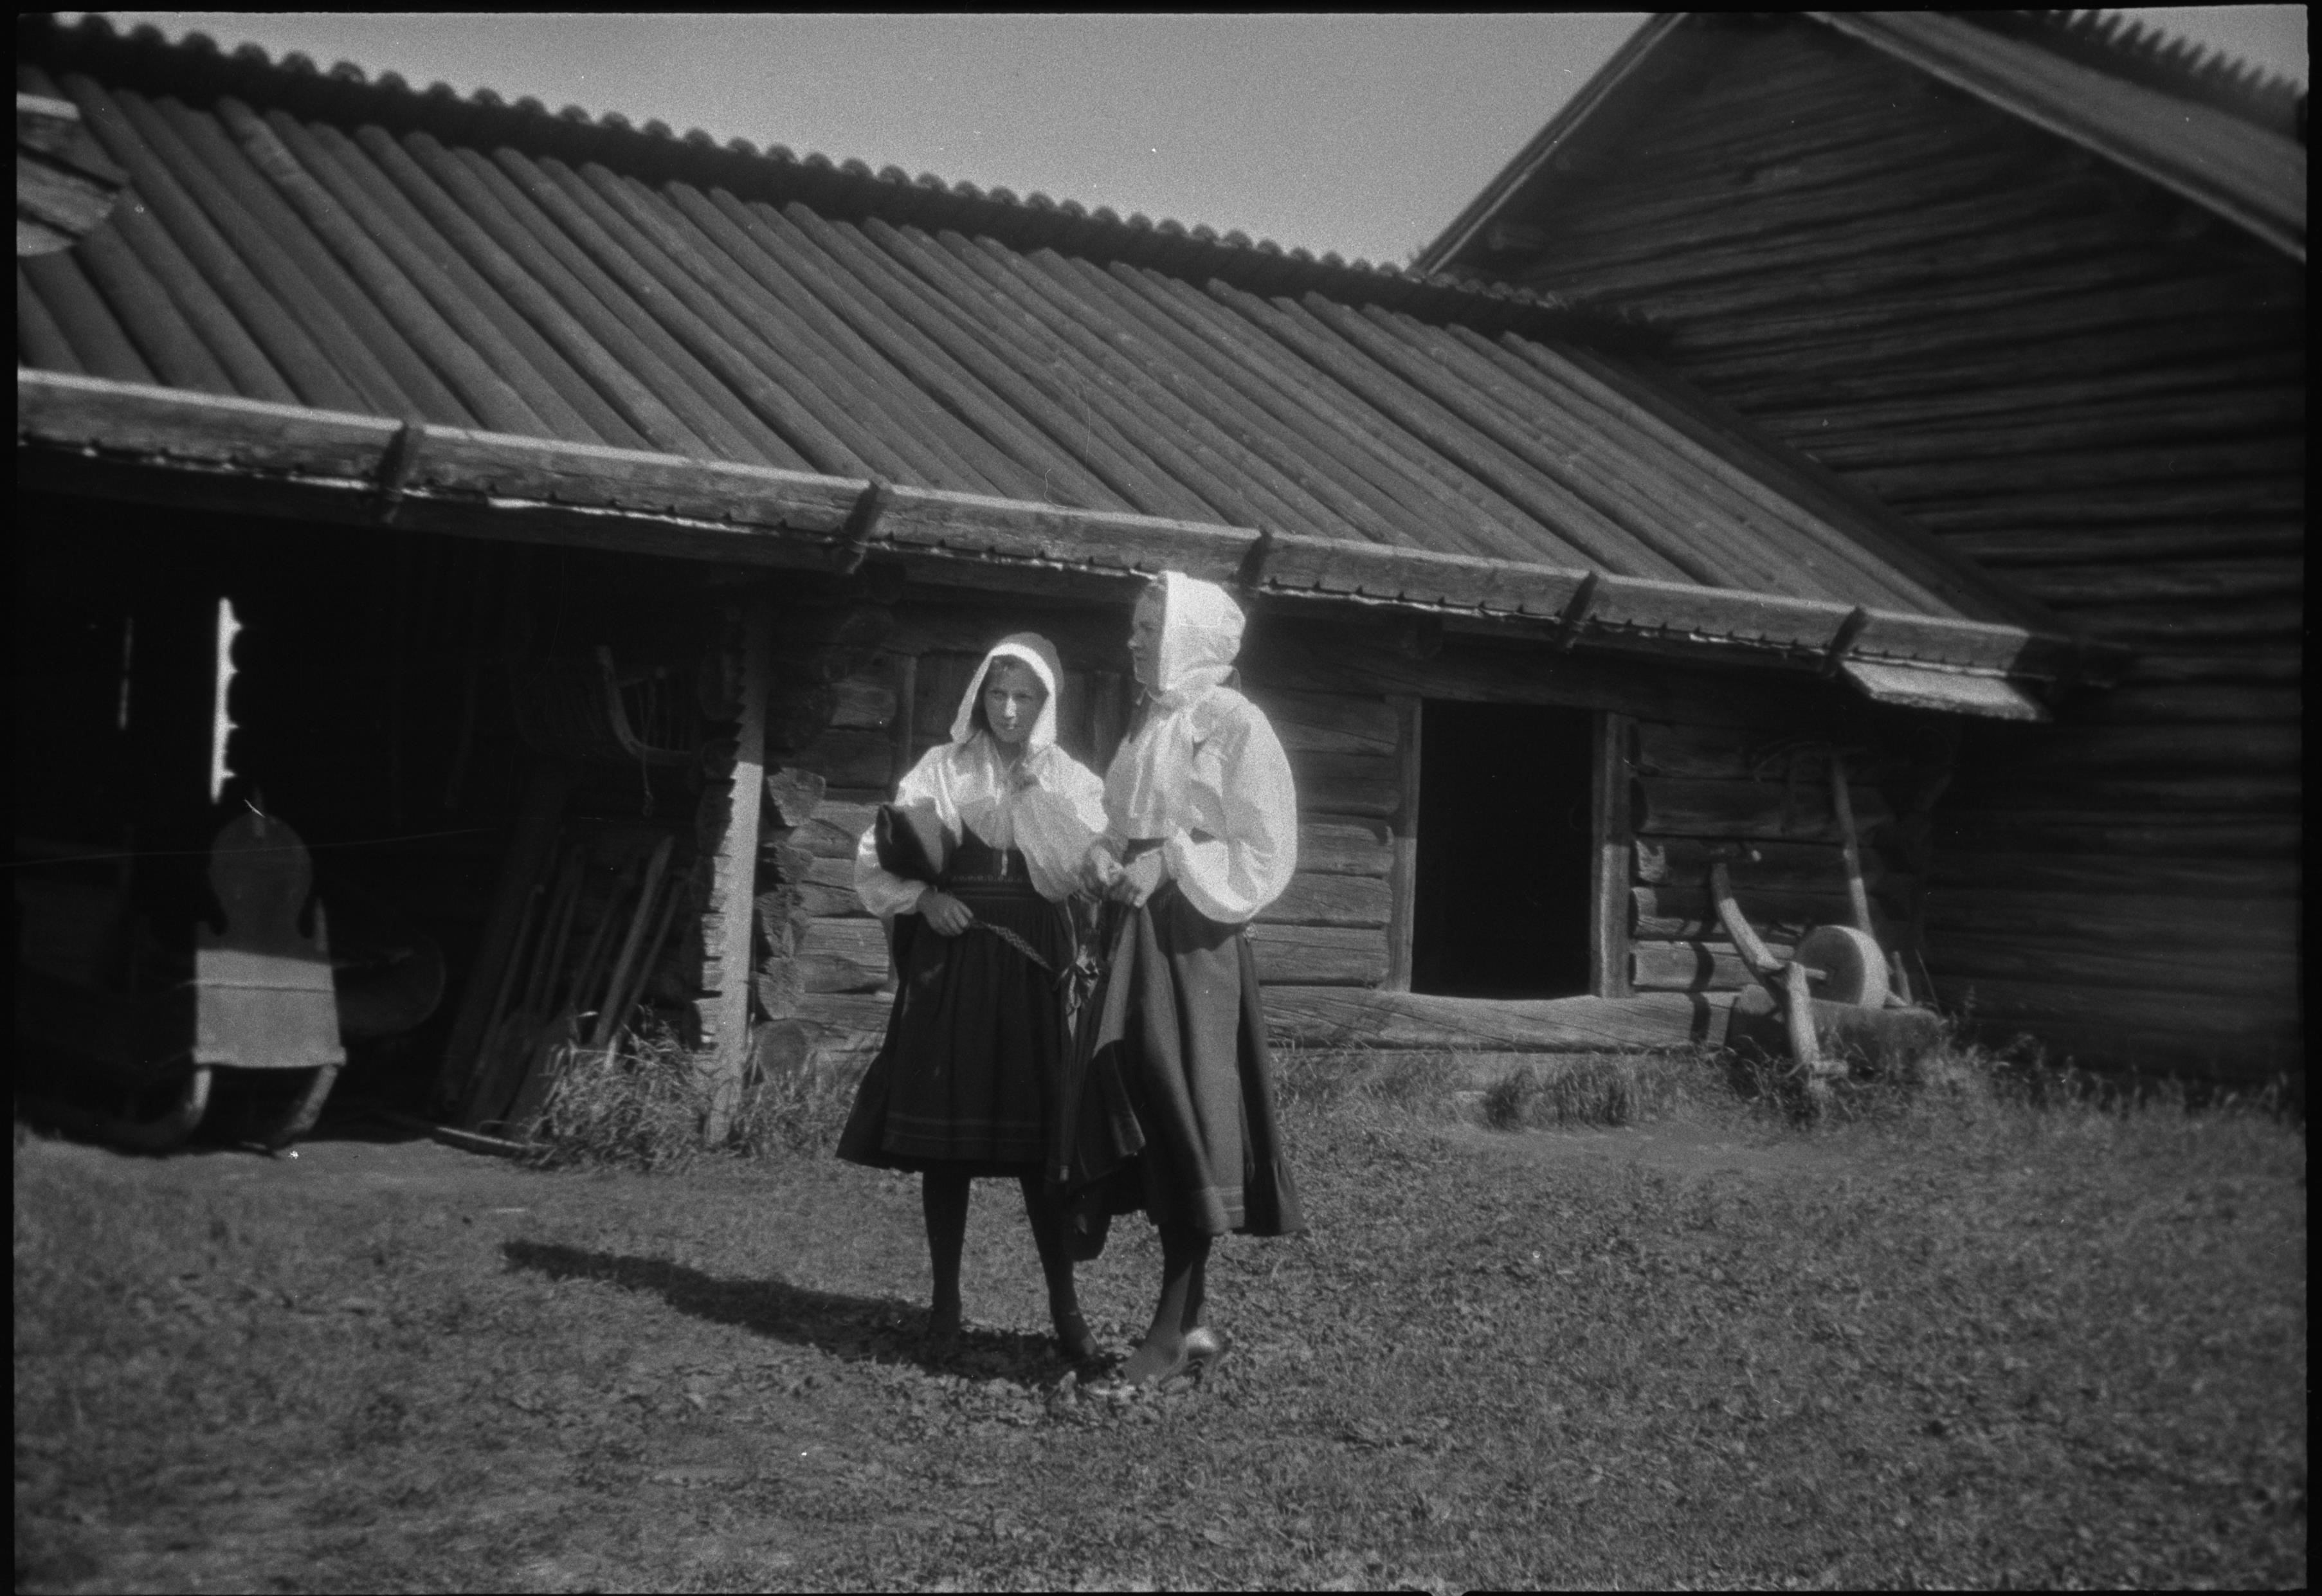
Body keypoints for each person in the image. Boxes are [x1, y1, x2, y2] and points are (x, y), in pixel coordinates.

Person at [1061, 572, 1308, 1387]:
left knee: (1180, 1111)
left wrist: (1168, 861)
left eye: (1147, 628)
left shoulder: (1233, 721)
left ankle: (1170, 1331)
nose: (1131, 641)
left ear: (1189, 634)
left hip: (1192, 941)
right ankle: (1190, 1322)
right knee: (1137, 1100)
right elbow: (1127, 822)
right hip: (1135, 934)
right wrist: (1103, 853)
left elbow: (1263, 848)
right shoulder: (1153, 721)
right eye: (1133, 627)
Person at [837, 633, 1109, 1362]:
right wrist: (924, 900)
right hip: (955, 952)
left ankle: (1066, 1312)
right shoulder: (943, 767)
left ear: (1046, 702)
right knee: (947, 1144)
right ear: (978, 695)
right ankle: (945, 1307)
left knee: (1040, 1142)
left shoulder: (1070, 779)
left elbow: (1079, 873)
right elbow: (878, 855)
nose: (1009, 710)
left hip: (1031, 960)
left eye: (1024, 697)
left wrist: (1039, 802)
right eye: (997, 693)